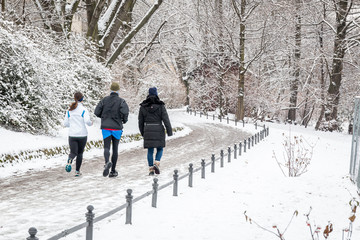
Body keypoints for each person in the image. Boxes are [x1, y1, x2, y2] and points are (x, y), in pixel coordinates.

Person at [95, 82, 129, 178]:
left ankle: (107, 162)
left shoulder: (104, 100)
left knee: (106, 147)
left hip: (106, 127)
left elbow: (96, 112)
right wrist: (124, 120)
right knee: (115, 149)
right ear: (118, 90)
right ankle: (113, 171)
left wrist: (103, 117)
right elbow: (125, 112)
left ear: (110, 89)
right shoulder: (121, 101)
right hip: (117, 128)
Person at [138, 87, 172, 175]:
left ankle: (151, 170)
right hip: (158, 129)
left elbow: (140, 121)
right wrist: (169, 131)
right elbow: (166, 119)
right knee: (160, 148)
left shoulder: (143, 106)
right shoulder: (161, 106)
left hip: (148, 129)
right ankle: (156, 163)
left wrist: (143, 132)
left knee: (150, 150)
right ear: (156, 94)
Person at [64, 92, 92, 177]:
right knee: (80, 153)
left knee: (73, 152)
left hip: (72, 134)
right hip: (82, 134)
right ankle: (77, 171)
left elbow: (66, 123)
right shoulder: (84, 110)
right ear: (82, 99)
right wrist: (91, 123)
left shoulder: (70, 110)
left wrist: (72, 125)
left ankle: (70, 159)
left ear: (74, 98)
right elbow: (87, 121)